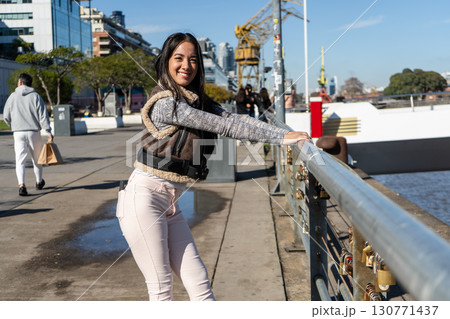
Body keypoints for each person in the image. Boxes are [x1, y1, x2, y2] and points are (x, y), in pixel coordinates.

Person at [116, 32, 311, 301]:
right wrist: (281, 138)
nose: (187, 65)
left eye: (193, 59)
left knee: (200, 285)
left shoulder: (195, 99)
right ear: (166, 61)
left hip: (171, 202)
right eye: (179, 58)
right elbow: (224, 126)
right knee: (161, 289)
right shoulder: (164, 103)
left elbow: (235, 118)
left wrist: (286, 135)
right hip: (143, 199)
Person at [3, 73, 53, 196]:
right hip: (33, 132)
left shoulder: (12, 97)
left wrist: (13, 125)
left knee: (20, 160)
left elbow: (6, 116)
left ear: (20, 83)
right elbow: (43, 116)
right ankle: (39, 182)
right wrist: (48, 131)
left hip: (18, 133)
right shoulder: (36, 96)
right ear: (30, 84)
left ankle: (22, 186)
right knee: (37, 159)